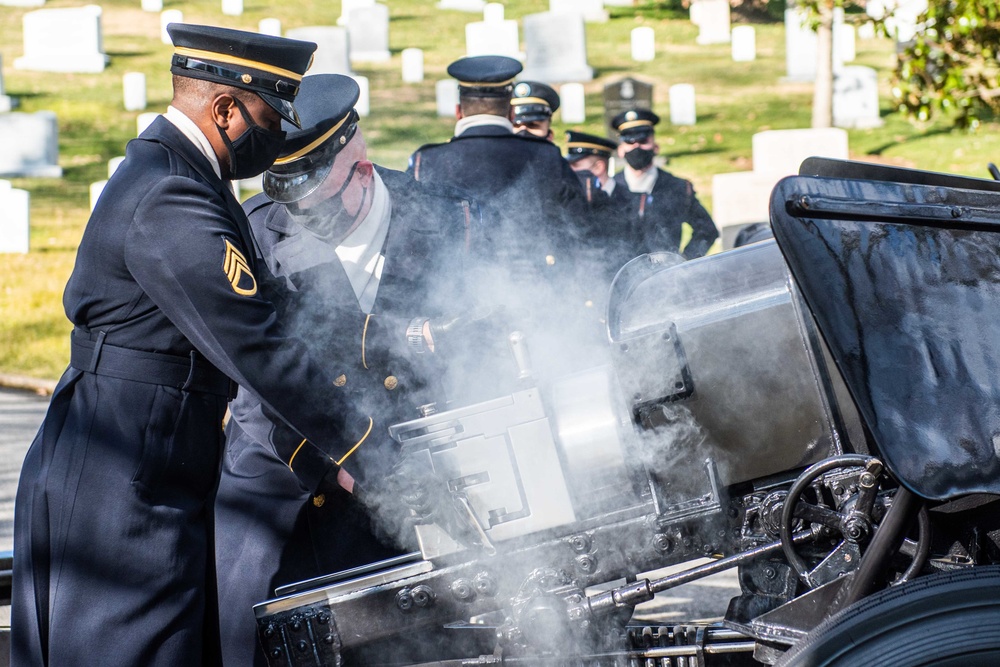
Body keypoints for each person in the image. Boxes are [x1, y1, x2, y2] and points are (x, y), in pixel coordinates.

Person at [10, 25, 385, 667]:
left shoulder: (182, 177)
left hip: (148, 462)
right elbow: (256, 343)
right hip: (122, 480)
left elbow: (275, 315)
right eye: (273, 116)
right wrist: (365, 447)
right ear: (225, 110)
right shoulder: (171, 195)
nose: (278, 137)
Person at [214, 73, 482, 667]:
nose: (304, 220)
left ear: (360, 169)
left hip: (408, 501)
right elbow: (255, 376)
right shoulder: (255, 231)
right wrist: (340, 458)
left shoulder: (446, 221)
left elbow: (475, 346)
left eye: (321, 205)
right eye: (289, 200)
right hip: (283, 490)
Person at [408, 56, 595, 377]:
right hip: (538, 312)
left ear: (458, 111)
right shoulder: (546, 156)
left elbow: (413, 249)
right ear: (511, 113)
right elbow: (582, 239)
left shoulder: (426, 161)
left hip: (455, 321)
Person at [611, 108, 719, 259]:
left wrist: (684, 262)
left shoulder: (678, 187)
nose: (636, 147)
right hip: (619, 275)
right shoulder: (610, 188)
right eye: (630, 141)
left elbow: (707, 230)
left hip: (666, 276)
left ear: (656, 147)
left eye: (643, 141)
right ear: (621, 150)